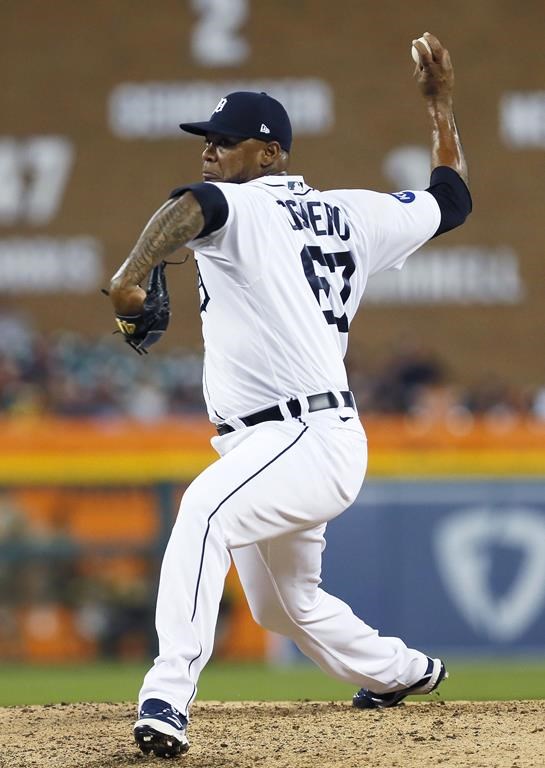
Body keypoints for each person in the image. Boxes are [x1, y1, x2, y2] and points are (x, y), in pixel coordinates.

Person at [109, 32, 471, 757]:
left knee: (203, 511)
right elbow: (451, 199)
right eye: (208, 139)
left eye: (228, 140)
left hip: (302, 435)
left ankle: (165, 695)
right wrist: (441, 110)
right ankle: (402, 670)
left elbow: (194, 206)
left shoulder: (246, 205)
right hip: (288, 442)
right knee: (284, 604)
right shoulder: (356, 214)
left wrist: (130, 274)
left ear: (270, 155)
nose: (211, 150)